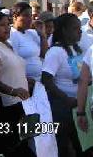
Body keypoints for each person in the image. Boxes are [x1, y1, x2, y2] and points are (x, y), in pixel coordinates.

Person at [0, 8, 33, 155]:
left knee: (20, 142)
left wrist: (24, 80)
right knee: (6, 145)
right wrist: (13, 90)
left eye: (8, 24)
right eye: (2, 25)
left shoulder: (5, 44)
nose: (7, 28)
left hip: (19, 103)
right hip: (5, 106)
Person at [42, 13, 83, 156]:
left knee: (82, 145)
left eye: (80, 28)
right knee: (64, 147)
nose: (80, 31)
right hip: (62, 108)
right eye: (75, 28)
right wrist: (66, 98)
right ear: (64, 30)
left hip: (78, 106)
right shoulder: (55, 52)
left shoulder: (76, 48)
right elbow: (46, 79)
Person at [9, 2, 48, 83]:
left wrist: (43, 36)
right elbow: (12, 62)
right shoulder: (12, 34)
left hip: (39, 81)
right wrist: (25, 80)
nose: (30, 19)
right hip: (24, 82)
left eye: (30, 15)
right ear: (15, 17)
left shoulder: (32, 33)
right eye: (26, 15)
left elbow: (43, 55)